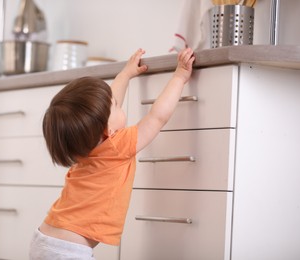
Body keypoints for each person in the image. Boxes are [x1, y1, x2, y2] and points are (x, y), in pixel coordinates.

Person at [30, 47, 195, 260]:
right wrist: (179, 76)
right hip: (69, 252)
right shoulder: (118, 146)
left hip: (44, 239)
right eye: (116, 106)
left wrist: (125, 74)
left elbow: (106, 106)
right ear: (107, 130)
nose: (118, 103)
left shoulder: (85, 148)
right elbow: (156, 117)